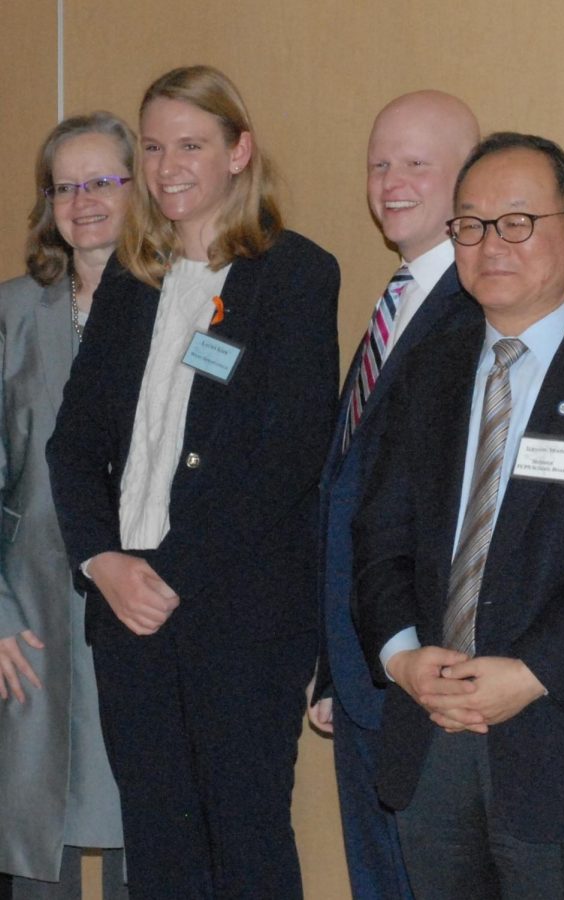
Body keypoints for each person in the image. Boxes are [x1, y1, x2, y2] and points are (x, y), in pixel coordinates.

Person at [47, 65, 340, 900]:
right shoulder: (132, 284)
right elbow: (72, 449)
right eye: (153, 147)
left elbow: (283, 458)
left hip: (239, 615)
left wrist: (165, 574)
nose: (168, 165)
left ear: (238, 152)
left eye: (191, 145)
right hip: (128, 612)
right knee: (159, 847)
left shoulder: (294, 276)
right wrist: (103, 561)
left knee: (246, 845)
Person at [352, 131, 564, 899]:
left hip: (563, 747)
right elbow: (379, 531)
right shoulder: (425, 373)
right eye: (470, 224)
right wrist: (400, 657)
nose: (490, 243)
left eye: (516, 221)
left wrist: (534, 672)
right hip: (429, 740)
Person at [309, 90, 480, 898]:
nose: (391, 181)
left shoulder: (478, 314)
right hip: (364, 673)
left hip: (425, 683)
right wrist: (337, 669)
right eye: (380, 163)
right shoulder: (399, 300)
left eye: (417, 162)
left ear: (466, 181)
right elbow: (349, 493)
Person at [0, 112, 135, 899]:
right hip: (30, 614)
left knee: (147, 832)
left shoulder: (184, 307)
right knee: (33, 834)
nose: (82, 201)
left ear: (139, 189)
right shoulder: (14, 313)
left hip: (144, 610)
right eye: (64, 186)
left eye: (102, 181)